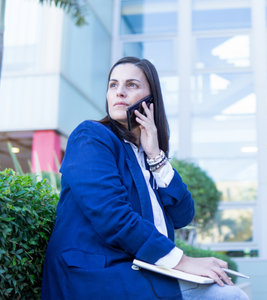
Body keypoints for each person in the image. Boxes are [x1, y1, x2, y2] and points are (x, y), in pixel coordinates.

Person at [41, 56, 248, 300]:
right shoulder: (91, 137)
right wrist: (182, 261)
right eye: (113, 85)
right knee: (228, 297)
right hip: (96, 275)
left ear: (151, 100)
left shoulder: (145, 156)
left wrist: (156, 156)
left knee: (229, 292)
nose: (119, 92)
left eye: (131, 85)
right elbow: (112, 216)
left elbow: (183, 215)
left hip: (141, 272)